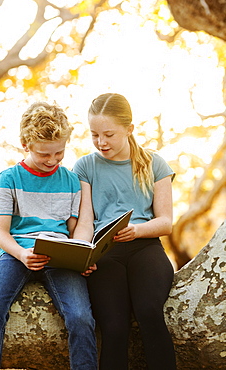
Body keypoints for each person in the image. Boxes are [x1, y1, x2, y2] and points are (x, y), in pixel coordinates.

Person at [0, 102, 97, 370]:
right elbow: (0, 233)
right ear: (25, 144)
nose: (52, 160)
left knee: (81, 318)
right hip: (17, 254)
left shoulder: (71, 180)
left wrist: (83, 256)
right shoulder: (9, 178)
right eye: (44, 154)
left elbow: (75, 231)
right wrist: (22, 254)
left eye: (59, 153)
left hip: (60, 257)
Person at [73, 93, 177, 370]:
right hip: (106, 253)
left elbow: (166, 221)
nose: (101, 142)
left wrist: (137, 230)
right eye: (94, 134)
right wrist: (82, 255)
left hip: (145, 247)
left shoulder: (155, 164)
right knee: (114, 327)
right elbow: (85, 222)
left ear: (130, 129)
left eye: (108, 134)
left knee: (149, 312)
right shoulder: (85, 166)